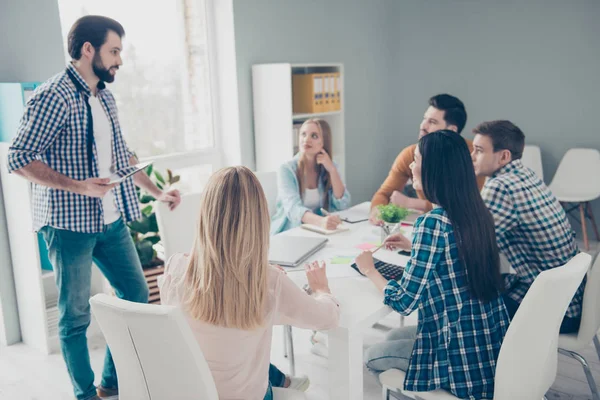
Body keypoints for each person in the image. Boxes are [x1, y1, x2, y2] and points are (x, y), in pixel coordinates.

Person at [7, 15, 181, 400]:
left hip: (111, 220)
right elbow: (17, 157)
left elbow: (121, 157)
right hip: (68, 226)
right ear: (89, 50)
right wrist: (76, 186)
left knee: (135, 295)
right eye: (114, 51)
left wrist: (156, 192)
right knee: (75, 318)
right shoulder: (53, 95)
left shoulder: (105, 95)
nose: (120, 60)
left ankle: (110, 385)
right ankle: (84, 395)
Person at [160, 166, 340, 400]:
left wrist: (263, 275)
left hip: (191, 391)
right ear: (259, 219)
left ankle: (284, 380)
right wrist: (321, 291)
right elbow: (328, 319)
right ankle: (284, 382)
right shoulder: (270, 283)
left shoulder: (175, 268)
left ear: (205, 214)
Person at [357, 130, 509, 399]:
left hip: (459, 362)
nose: (412, 167)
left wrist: (369, 269)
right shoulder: (476, 211)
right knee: (393, 337)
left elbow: (404, 302)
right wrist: (414, 246)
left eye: (416, 160)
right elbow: (458, 258)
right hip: (488, 350)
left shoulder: (432, 223)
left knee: (371, 357)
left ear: (434, 169)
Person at [471, 120, 583, 333]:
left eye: (478, 151)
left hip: (554, 307)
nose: (472, 157)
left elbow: (471, 242)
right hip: (571, 297)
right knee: (484, 285)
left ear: (503, 156)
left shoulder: (500, 186)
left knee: (464, 306)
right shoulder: (525, 175)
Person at [369, 94, 486, 224]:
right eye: (424, 119)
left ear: (452, 130)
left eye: (432, 122)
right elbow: (384, 194)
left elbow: (469, 207)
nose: (423, 126)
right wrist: (377, 211)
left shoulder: (473, 156)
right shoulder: (410, 154)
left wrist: (413, 203)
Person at [271, 118, 350, 235]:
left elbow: (342, 204)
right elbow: (293, 209)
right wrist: (321, 221)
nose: (306, 139)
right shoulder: (286, 170)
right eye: (303, 134)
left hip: (317, 231)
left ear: (324, 142)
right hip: (290, 231)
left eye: (314, 136)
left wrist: (332, 170)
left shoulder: (329, 166)